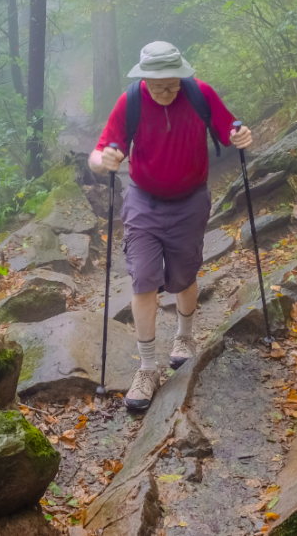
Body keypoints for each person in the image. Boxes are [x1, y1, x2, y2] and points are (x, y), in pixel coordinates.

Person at [89, 41, 253, 412]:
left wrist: (242, 136)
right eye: (158, 85)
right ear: (144, 78)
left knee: (184, 276)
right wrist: (106, 160)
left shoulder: (200, 94)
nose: (166, 91)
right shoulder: (130, 102)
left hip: (190, 201)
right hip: (143, 202)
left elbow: (231, 130)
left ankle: (184, 337)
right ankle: (147, 369)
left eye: (173, 83)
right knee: (144, 280)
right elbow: (97, 155)